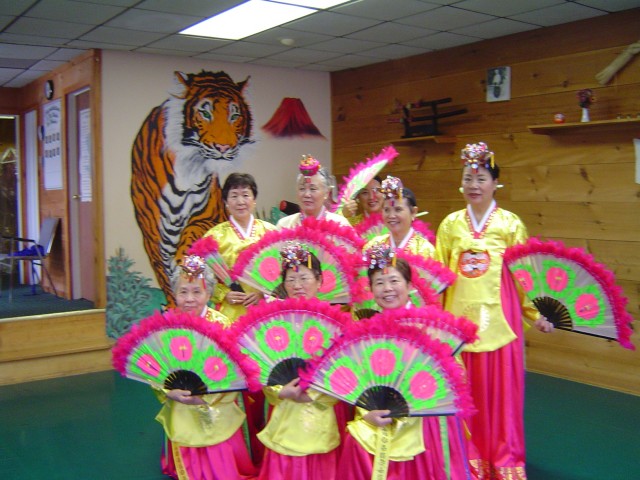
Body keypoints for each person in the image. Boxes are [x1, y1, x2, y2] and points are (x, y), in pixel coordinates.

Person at [435, 142, 553, 480]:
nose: (474, 185)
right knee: (464, 393)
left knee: (500, 398)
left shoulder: (510, 224)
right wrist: (434, 322)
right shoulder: (450, 225)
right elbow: (437, 277)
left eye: (481, 178)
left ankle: (503, 460)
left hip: (500, 322)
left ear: (495, 183)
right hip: (458, 325)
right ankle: (467, 458)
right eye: (468, 178)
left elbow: (525, 276)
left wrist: (536, 314)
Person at [340, 244, 473, 480]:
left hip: (425, 419)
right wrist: (366, 413)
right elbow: (361, 382)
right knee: (355, 440)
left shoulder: (432, 327)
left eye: (394, 281)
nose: (387, 289)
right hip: (382, 413)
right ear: (371, 289)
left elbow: (457, 376)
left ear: (410, 286)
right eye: (379, 283)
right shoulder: (369, 331)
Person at [157, 254, 257, 480]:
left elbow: (233, 373)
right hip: (181, 403)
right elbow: (157, 371)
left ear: (209, 294)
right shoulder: (166, 326)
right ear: (174, 293)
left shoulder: (223, 325)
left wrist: (206, 398)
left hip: (216, 406)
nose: (189, 299)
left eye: (197, 292)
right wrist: (168, 392)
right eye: (183, 292)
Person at [257, 242, 341, 480]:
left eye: (304, 278)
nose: (297, 285)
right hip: (284, 411)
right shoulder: (273, 322)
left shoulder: (333, 323)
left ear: (319, 280)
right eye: (291, 280)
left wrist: (313, 395)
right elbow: (261, 368)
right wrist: (279, 391)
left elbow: (343, 374)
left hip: (319, 411)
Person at [204, 173, 276, 321]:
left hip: (264, 310)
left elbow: (284, 275)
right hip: (228, 313)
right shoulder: (214, 237)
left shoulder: (271, 232)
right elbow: (202, 278)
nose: (240, 201)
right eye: (234, 196)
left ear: (254, 200)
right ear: (226, 201)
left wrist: (264, 293)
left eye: (245, 195)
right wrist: (223, 294)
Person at [364, 175, 434, 258]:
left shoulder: (426, 250)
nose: (391, 216)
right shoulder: (373, 247)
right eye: (386, 210)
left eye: (398, 209)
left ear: (413, 212)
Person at [276, 155, 352, 229]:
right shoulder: (284, 225)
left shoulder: (341, 225)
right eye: (302, 188)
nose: (307, 194)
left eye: (313, 189)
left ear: (326, 193)